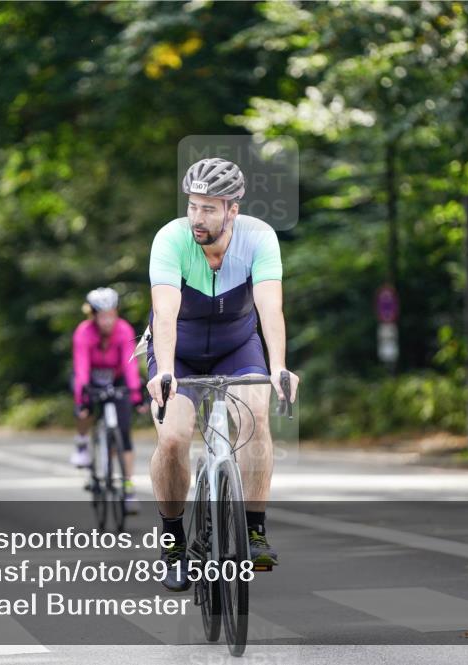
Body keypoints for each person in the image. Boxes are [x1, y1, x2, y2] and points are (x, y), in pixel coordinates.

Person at [145, 157, 299, 592]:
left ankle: (254, 531)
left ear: (233, 208)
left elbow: (270, 307)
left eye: (209, 208)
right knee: (173, 437)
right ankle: (173, 542)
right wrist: (167, 371)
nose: (198, 217)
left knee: (255, 416)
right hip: (181, 350)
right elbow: (165, 312)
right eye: (193, 206)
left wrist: (279, 367)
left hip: (237, 347)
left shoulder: (259, 237)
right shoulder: (170, 239)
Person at [71, 287, 147, 513]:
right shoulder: (84, 332)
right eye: (102, 316)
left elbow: (130, 365)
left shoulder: (123, 330)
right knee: (85, 408)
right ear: (93, 315)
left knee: (123, 433)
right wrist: (81, 398)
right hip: (90, 377)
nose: (106, 320)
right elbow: (81, 366)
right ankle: (82, 441)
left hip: (116, 377)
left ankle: (128, 487)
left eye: (111, 315)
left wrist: (135, 394)